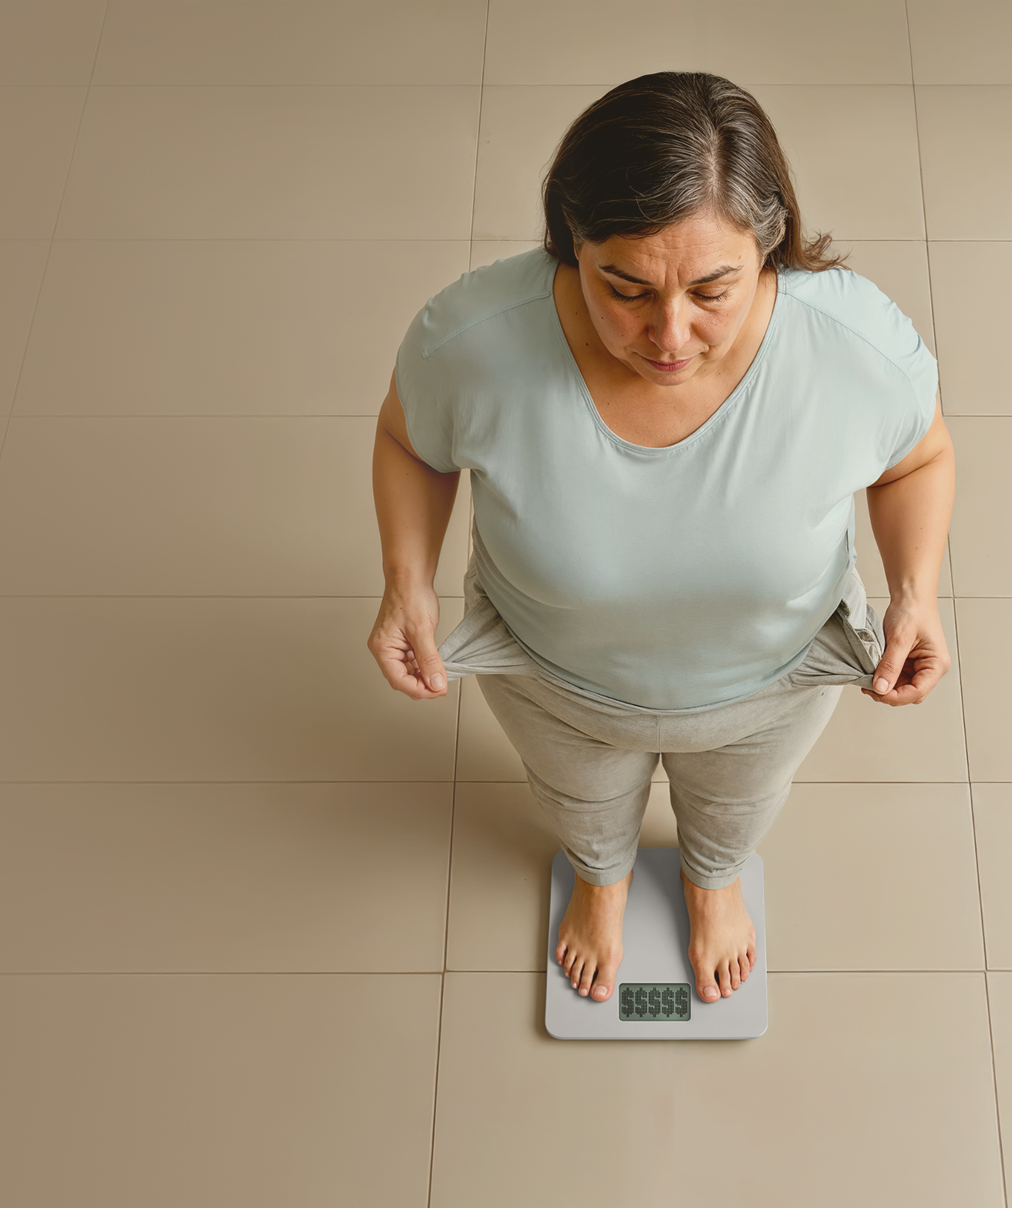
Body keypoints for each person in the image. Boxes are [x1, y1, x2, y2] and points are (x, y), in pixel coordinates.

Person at [367, 72, 955, 1008]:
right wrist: (407, 581)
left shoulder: (855, 345)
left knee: (736, 807)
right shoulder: (471, 339)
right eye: (624, 287)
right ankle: (600, 876)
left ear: (769, 247)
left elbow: (917, 462)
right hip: (551, 678)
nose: (670, 336)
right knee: (579, 800)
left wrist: (915, 593)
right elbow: (409, 440)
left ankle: (711, 877)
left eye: (712, 290)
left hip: (773, 684)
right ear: (571, 241)